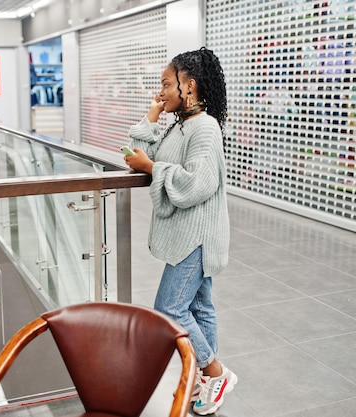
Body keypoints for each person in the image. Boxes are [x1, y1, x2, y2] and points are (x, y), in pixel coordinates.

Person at [123, 47, 236, 415]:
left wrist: (154, 167)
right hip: (190, 232)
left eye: (166, 84)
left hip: (196, 235)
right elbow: (135, 154)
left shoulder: (203, 127)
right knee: (200, 306)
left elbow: (198, 183)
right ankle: (206, 386)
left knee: (169, 309)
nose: (162, 91)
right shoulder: (181, 125)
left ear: (189, 86)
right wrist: (151, 117)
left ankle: (214, 372)